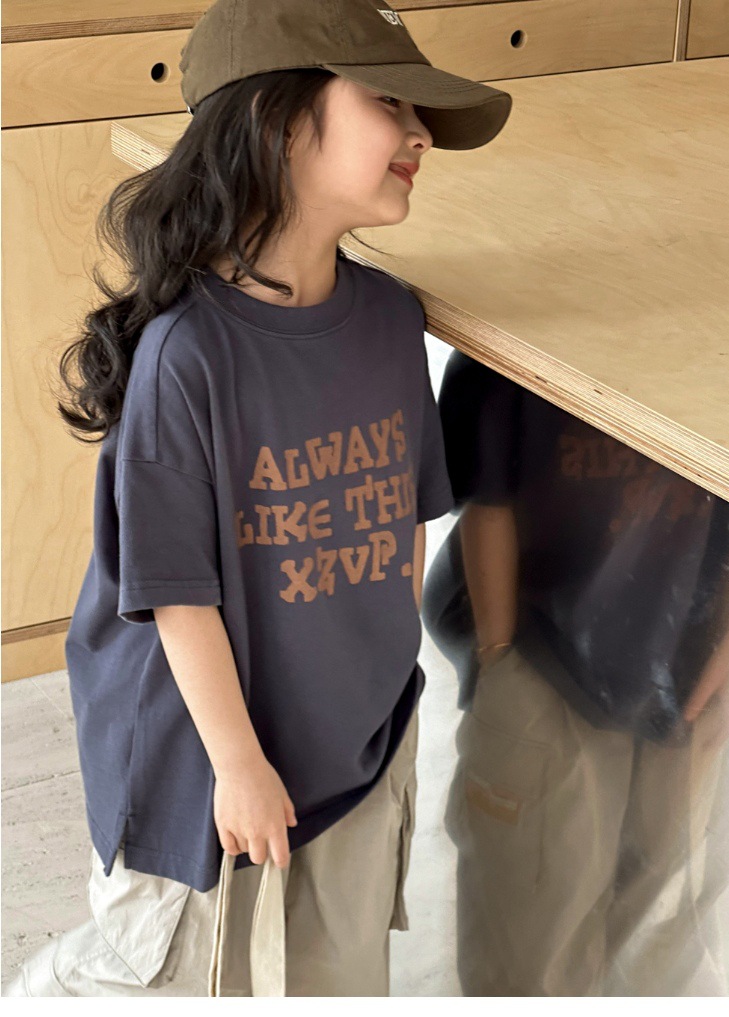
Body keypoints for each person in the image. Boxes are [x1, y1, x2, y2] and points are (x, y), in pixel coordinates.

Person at [3, 0, 513, 998]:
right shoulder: (188, 357)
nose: (419, 133)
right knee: (184, 980)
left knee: (337, 977)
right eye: (388, 102)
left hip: (357, 747)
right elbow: (174, 591)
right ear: (276, 122)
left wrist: (381, 692)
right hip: (205, 758)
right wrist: (237, 763)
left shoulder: (389, 319)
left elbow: (404, 519)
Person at [422, 352, 729, 995]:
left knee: (664, 939)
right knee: (531, 947)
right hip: (546, 656)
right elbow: (488, 497)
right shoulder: (530, 326)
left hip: (692, 661)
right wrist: (502, 658)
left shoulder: (724, 321)